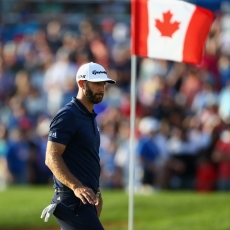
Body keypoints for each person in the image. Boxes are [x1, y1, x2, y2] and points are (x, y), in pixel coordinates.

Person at [40, 62, 115, 230]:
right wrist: (77, 186)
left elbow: (86, 160)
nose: (101, 88)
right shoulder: (68, 115)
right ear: (82, 84)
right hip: (71, 201)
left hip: (84, 199)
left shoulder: (90, 117)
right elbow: (51, 157)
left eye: (103, 83)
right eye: (96, 83)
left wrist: (96, 192)